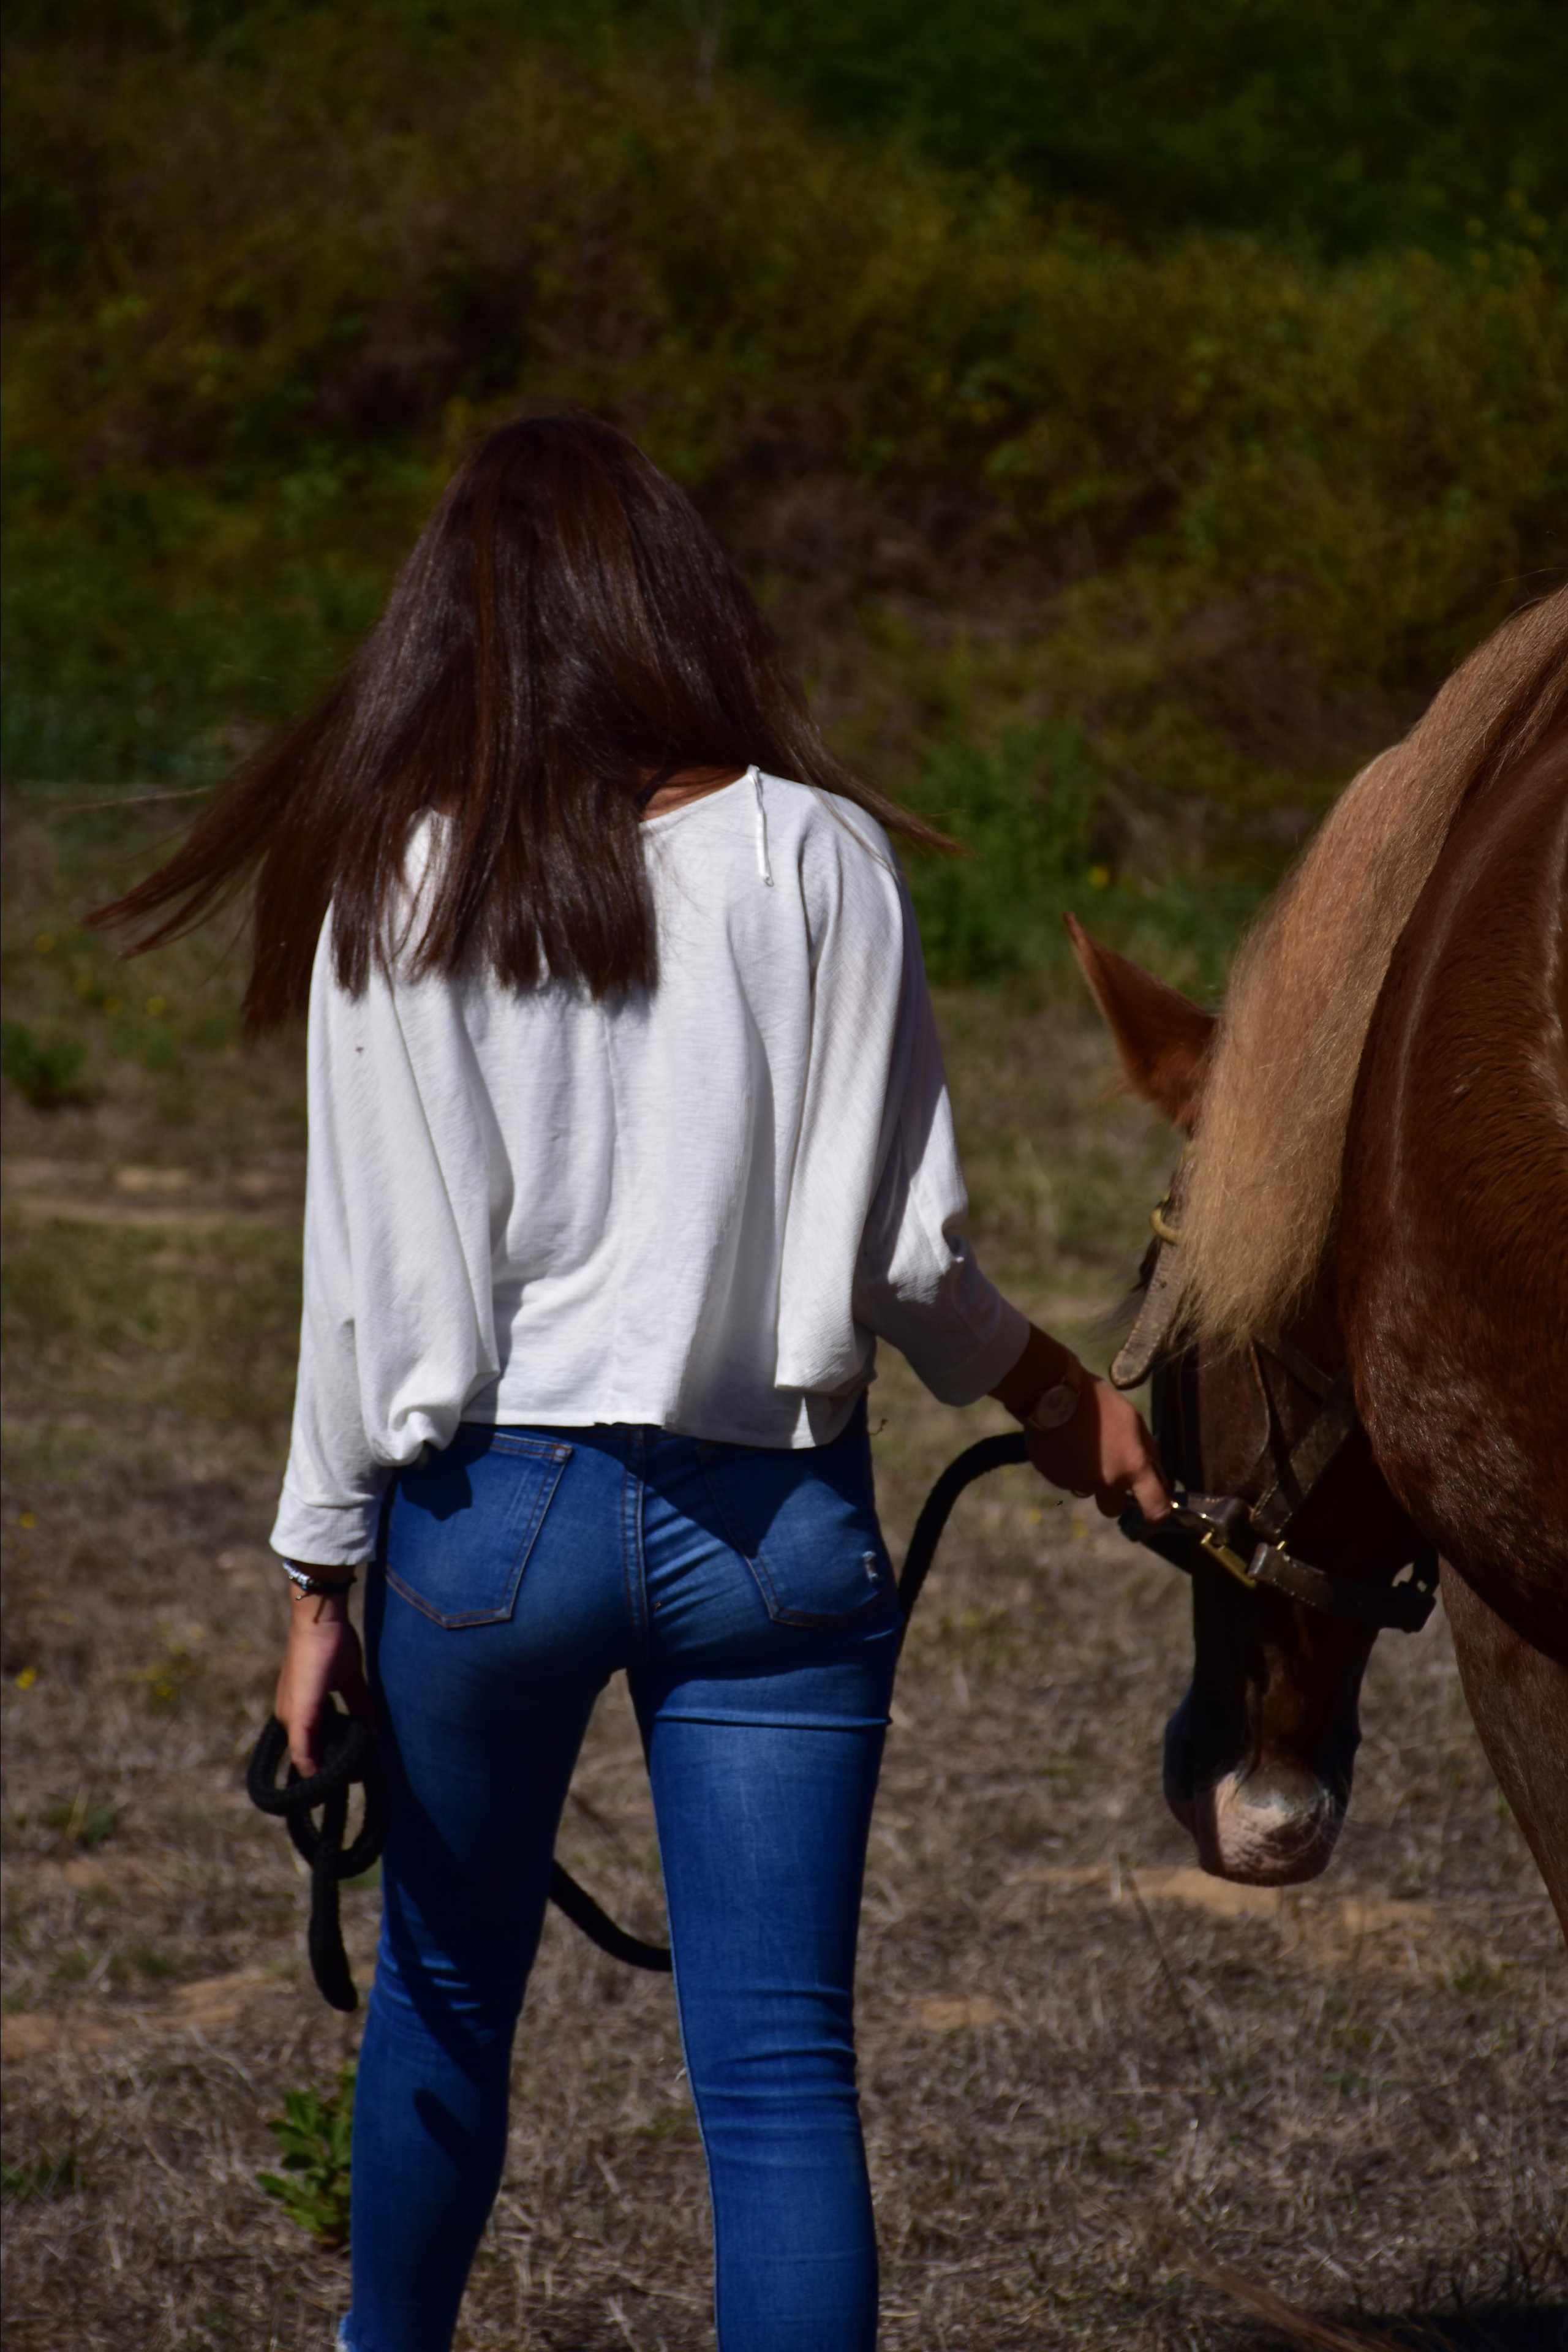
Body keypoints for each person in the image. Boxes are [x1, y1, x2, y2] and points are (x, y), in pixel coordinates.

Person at [93, 415, 1168, 2352]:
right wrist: (1057, 1398)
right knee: (779, 2079)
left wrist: (316, 1581)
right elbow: (903, 1261)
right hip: (776, 1531)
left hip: (488, 1531)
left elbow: (362, 1289)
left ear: (459, 621)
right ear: (674, 597)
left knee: (442, 1993)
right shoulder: (820, 856)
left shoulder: (397, 874)